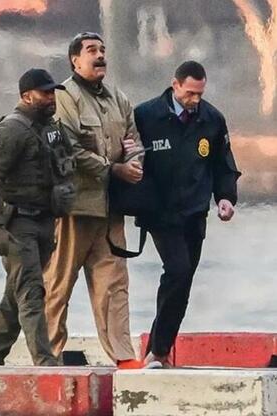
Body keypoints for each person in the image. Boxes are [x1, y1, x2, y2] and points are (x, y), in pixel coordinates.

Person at [42, 32, 143, 368]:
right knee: (57, 284)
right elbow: (67, 147)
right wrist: (113, 169)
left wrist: (134, 162)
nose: (100, 56)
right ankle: (48, 355)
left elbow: (134, 140)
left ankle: (123, 356)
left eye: (102, 50)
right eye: (91, 51)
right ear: (75, 60)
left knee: (114, 286)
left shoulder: (119, 98)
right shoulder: (64, 97)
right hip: (75, 208)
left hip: (111, 209)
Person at [134, 61, 241, 368]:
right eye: (190, 93)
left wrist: (225, 198)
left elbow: (223, 165)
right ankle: (158, 350)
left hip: (195, 212)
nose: (195, 100)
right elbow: (128, 156)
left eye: (200, 94)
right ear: (176, 85)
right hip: (160, 212)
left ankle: (158, 350)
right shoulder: (146, 115)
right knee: (177, 271)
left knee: (182, 282)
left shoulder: (212, 119)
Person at [0, 68, 76, 366]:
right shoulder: (11, 131)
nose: (51, 98)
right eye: (44, 93)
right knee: (31, 291)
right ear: (26, 96)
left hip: (45, 221)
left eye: (52, 92)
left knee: (15, 295)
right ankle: (45, 362)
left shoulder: (51, 129)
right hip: (18, 224)